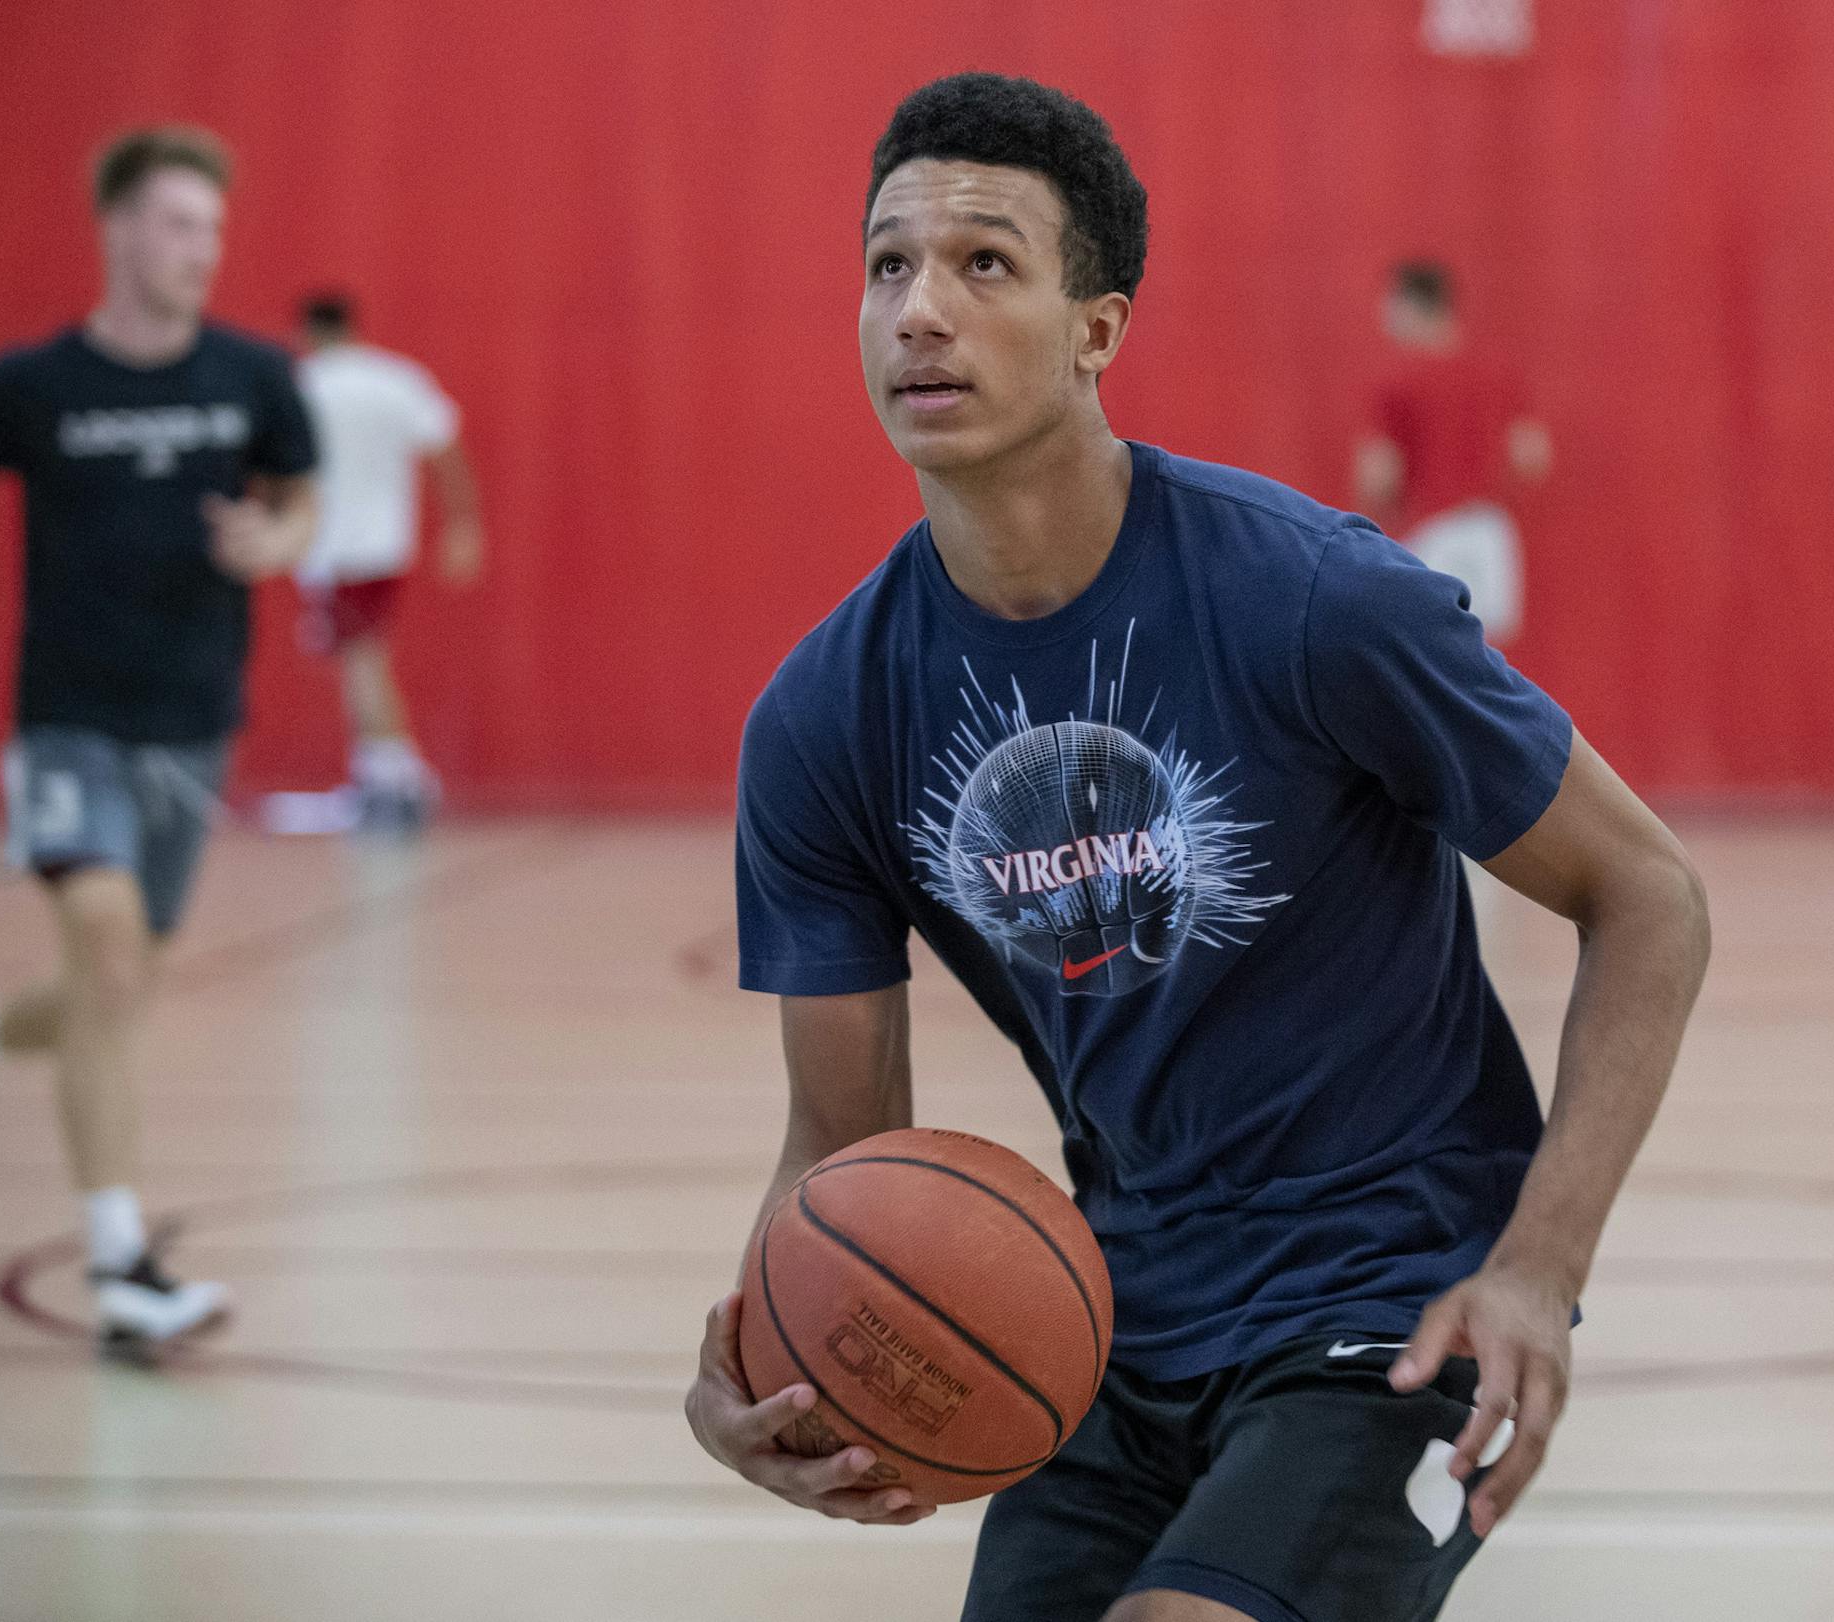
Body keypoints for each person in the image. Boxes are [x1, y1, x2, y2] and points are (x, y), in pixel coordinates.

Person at [684, 74, 1709, 1622]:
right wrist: (768, 1362)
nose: (920, 311)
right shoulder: (827, 718)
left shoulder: (1314, 601)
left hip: (1396, 1297)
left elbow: (1650, 893)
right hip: (1108, 1317)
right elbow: (841, 1144)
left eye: (983, 263)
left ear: (1096, 330)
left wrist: (1537, 1267)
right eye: (889, 265)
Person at [0, 127, 319, 1347]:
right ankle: (122, 1261)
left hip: (192, 727)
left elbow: (301, 498)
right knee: (109, 956)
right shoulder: (36, 382)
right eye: (178, 223)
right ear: (118, 228)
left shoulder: (253, 376)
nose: (201, 248)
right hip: (69, 720)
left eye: (213, 228)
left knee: (112, 986)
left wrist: (277, 541)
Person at [291, 291, 481, 831]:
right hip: (383, 543)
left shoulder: (303, 386)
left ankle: (394, 774)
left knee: (361, 659)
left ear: (308, 331)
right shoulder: (396, 379)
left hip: (332, 545)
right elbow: (446, 451)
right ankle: (380, 772)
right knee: (362, 655)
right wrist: (463, 523)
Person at [1353, 260, 1552, 646]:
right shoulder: (1495, 374)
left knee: (1426, 653)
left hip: (1433, 532)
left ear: (1409, 305)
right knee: (1484, 657)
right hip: (1489, 530)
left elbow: (1379, 477)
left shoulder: (1398, 384)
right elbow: (1532, 456)